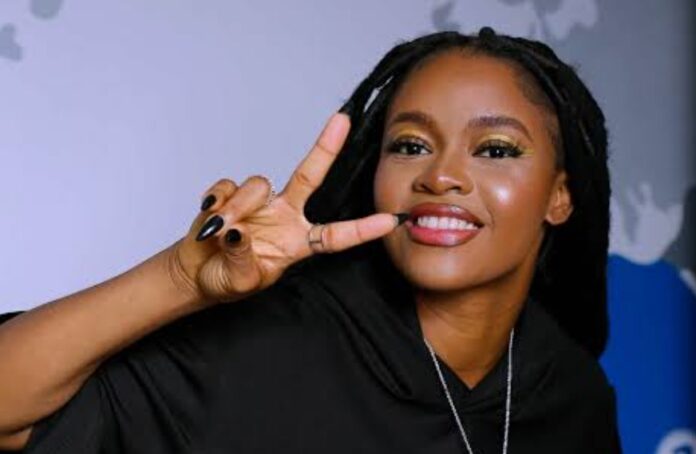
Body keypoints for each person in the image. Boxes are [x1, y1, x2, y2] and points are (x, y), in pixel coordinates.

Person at [0, 27, 621, 453]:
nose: (440, 176)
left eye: (496, 150)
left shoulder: (573, 394)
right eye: (410, 145)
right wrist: (180, 280)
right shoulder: (260, 347)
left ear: (559, 196)